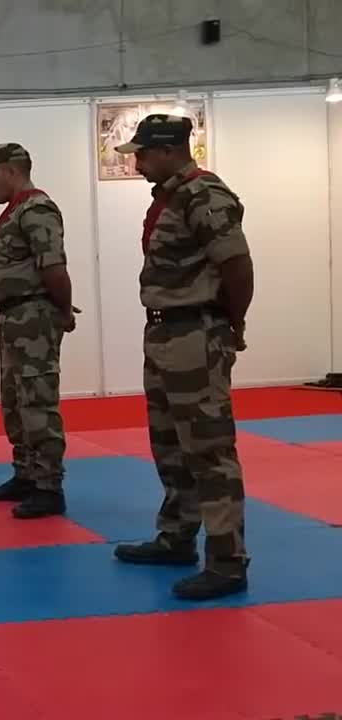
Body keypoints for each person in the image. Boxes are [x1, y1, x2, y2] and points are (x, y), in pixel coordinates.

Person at [109, 114, 254, 601]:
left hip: (197, 331)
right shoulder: (170, 198)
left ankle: (227, 561)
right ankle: (176, 537)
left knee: (209, 449)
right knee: (170, 443)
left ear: (169, 151)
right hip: (166, 331)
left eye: (143, 154)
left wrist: (232, 324)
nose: (138, 163)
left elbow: (236, 264)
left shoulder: (204, 195)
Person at [0, 143, 78, 519]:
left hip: (32, 317)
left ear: (12, 170)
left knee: (37, 400)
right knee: (15, 402)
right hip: (15, 317)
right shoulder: (16, 211)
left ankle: (49, 485)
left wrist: (63, 310)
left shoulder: (37, 209)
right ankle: (26, 474)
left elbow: (53, 266)